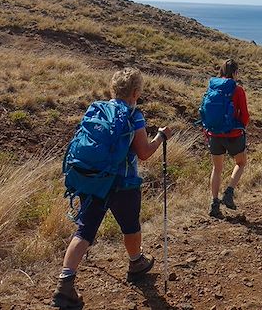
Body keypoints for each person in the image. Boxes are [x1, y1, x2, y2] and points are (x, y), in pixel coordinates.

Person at [52, 67, 173, 310]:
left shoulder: (97, 109)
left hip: (93, 179)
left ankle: (65, 284)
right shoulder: (133, 115)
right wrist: (161, 137)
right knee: (131, 227)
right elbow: (144, 153)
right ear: (136, 92)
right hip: (122, 183)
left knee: (84, 231)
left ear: (113, 89)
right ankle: (136, 262)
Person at [201, 59, 250, 218]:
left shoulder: (212, 87)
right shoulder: (238, 90)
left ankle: (214, 204)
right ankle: (229, 192)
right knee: (241, 163)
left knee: (217, 169)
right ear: (235, 72)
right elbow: (245, 116)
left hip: (214, 134)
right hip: (234, 134)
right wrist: (240, 126)